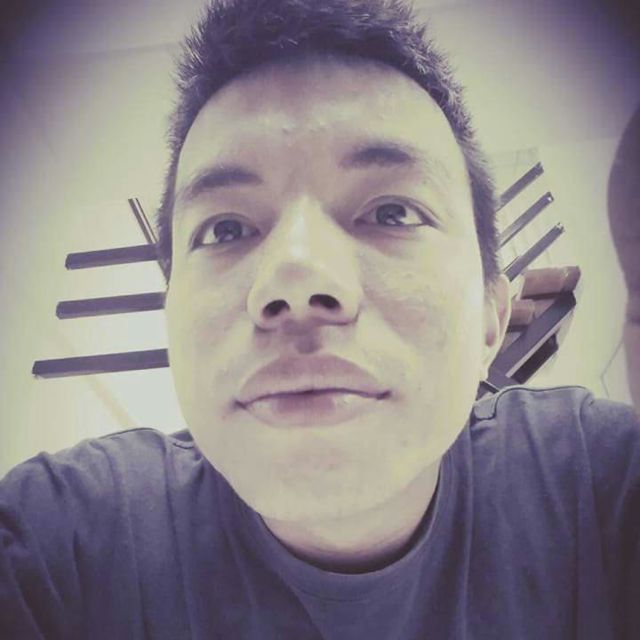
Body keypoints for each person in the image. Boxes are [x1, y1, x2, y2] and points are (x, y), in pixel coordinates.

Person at [1, 0, 638, 638]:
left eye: (393, 213)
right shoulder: (66, 546)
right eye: (225, 229)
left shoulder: (595, 485)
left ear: (491, 322)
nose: (297, 276)